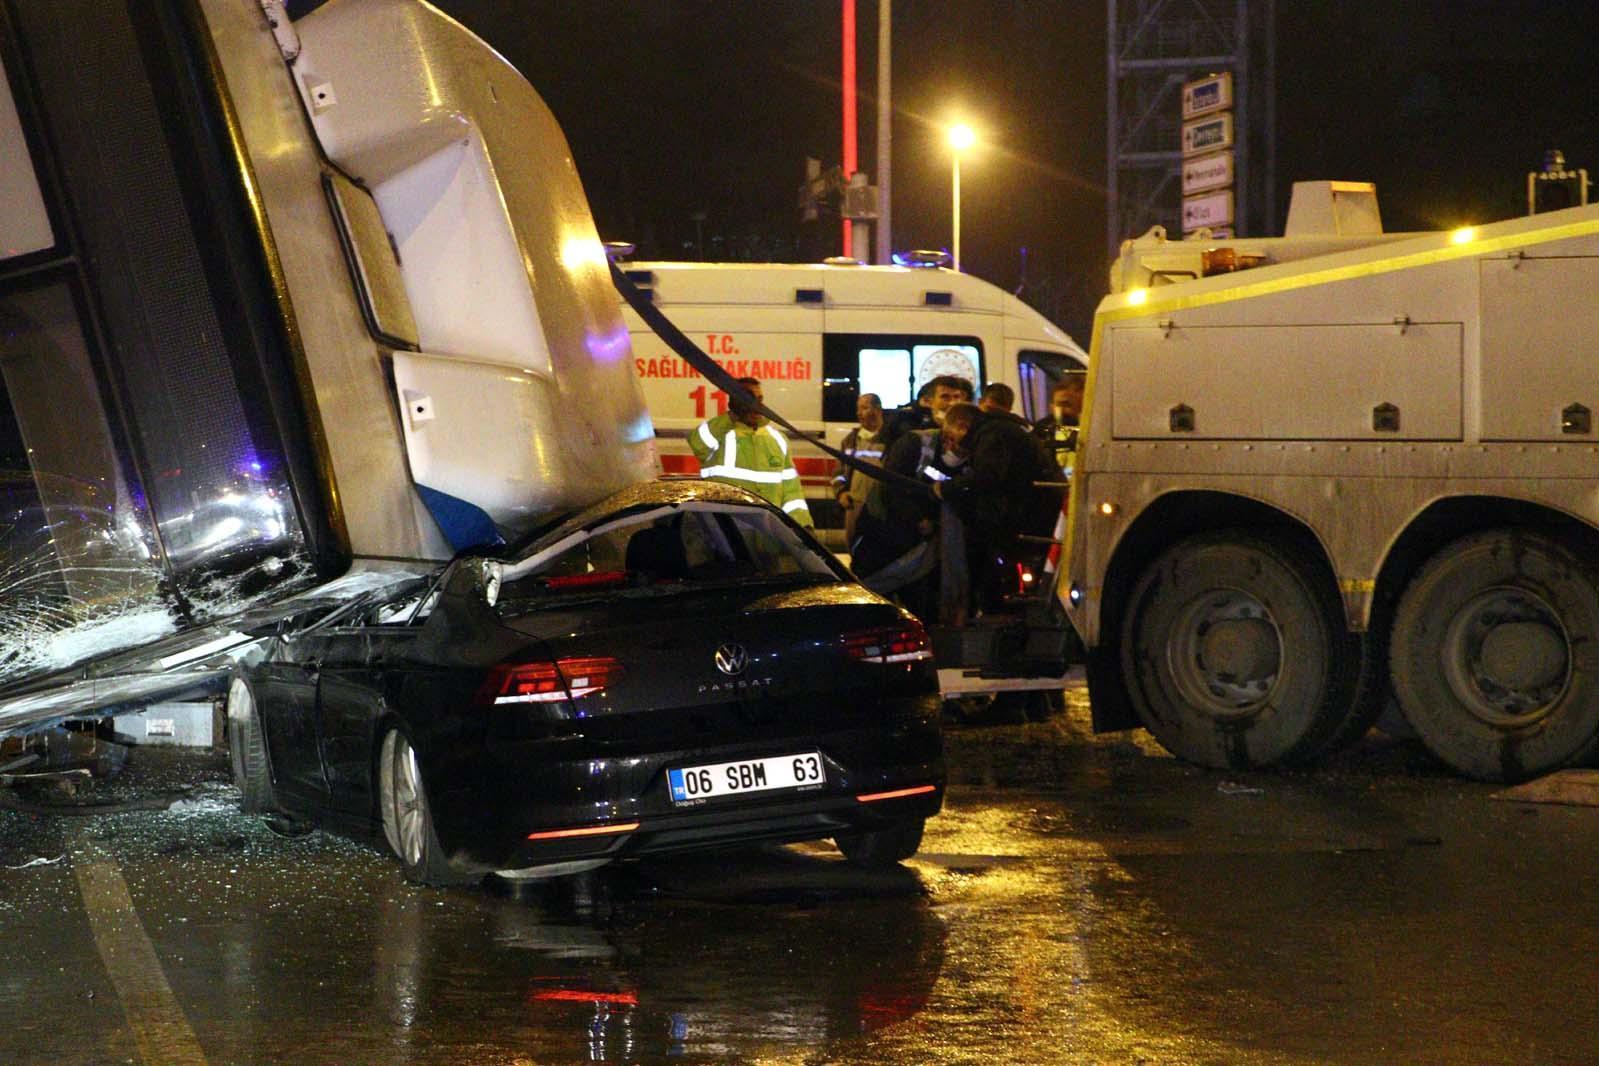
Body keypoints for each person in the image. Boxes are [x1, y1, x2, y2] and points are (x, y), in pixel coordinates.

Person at [936, 402, 1063, 612]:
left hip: (1027, 515)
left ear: (961, 425)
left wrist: (948, 488)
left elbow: (988, 476)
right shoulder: (999, 430)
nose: (952, 445)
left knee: (1000, 573)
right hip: (1035, 510)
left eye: (951, 436)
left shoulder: (991, 436)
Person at [688, 377, 813, 527]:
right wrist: (732, 415)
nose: (756, 405)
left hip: (769, 536)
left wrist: (803, 526)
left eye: (759, 399)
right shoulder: (719, 435)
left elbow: (792, 493)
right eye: (749, 399)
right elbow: (696, 442)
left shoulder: (778, 439)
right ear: (735, 403)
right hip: (731, 534)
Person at [833, 393, 885, 545]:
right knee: (854, 546)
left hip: (881, 506)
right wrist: (841, 492)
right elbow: (838, 473)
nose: (859, 413)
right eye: (858, 409)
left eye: (864, 408)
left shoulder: (890, 439)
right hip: (855, 506)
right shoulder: (850, 440)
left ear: (878, 410)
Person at [881, 374, 973, 450]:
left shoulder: (970, 427)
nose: (952, 403)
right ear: (929, 402)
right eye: (945, 397)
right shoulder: (912, 429)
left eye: (956, 397)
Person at [1031, 372, 1085, 475]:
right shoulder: (1042, 430)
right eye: (1059, 405)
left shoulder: (1088, 431)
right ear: (1051, 406)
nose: (1062, 410)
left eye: (1067, 405)